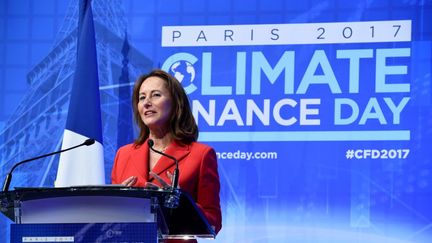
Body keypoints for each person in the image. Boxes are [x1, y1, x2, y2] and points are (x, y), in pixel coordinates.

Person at [111, 69, 222, 242]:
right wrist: (117, 203)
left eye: (156, 95)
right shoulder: (123, 154)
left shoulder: (200, 155)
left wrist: (179, 203)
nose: (147, 103)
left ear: (176, 104)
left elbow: (214, 222)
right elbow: (110, 220)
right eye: (142, 98)